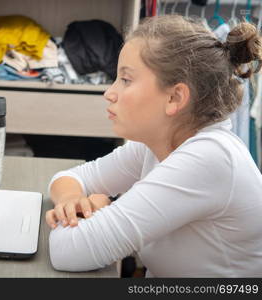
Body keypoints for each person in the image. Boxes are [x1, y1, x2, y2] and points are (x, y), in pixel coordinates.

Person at [46, 15, 262, 277]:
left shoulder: (209, 158)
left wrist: (101, 210)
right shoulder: (160, 143)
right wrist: (72, 201)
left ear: (174, 97)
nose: (109, 93)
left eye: (125, 80)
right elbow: (71, 177)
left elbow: (67, 251)